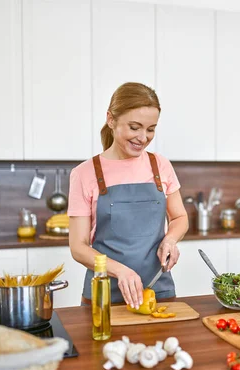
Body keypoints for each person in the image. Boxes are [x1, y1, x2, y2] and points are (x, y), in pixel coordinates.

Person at [68, 82, 188, 309]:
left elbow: (180, 218)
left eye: (151, 129)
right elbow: (78, 246)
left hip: (158, 291)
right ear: (111, 120)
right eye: (135, 127)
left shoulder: (160, 165)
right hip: (104, 297)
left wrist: (170, 240)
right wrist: (120, 271)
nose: (143, 137)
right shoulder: (84, 173)